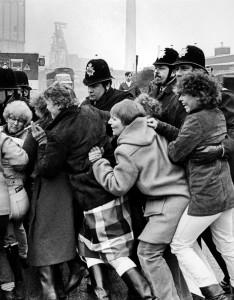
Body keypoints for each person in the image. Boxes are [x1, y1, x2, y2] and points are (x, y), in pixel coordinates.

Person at [29, 82, 155, 300]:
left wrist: (42, 142)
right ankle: (102, 293)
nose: (48, 109)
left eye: (49, 104)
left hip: (91, 197)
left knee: (112, 252)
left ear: (58, 104)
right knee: (90, 247)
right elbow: (118, 117)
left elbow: (47, 169)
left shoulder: (58, 133)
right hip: (109, 184)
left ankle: (145, 293)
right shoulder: (90, 110)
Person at [148, 45, 234, 298]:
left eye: (185, 68)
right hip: (201, 180)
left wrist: (219, 150)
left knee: (190, 243)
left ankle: (213, 291)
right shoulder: (178, 97)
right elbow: (186, 133)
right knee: (221, 242)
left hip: (209, 178)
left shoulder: (223, 99)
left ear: (200, 71)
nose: (180, 73)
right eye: (177, 68)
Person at [88, 98, 192, 300]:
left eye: (114, 119)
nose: (110, 123)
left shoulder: (126, 149)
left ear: (126, 121)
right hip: (180, 196)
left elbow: (117, 186)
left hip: (166, 203)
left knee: (147, 252)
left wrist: (98, 163)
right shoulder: (155, 131)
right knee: (168, 256)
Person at [169, 72, 234, 300]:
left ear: (199, 95)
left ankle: (213, 292)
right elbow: (190, 138)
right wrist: (160, 125)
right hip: (226, 189)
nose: (180, 99)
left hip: (206, 194)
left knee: (179, 245)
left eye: (184, 94)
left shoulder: (195, 120)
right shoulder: (216, 114)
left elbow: (177, 153)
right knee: (228, 244)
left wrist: (169, 144)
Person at [23, 87, 87, 300]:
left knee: (41, 238)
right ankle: (69, 273)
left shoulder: (41, 130)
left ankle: (53, 292)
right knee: (55, 236)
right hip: (70, 186)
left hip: (49, 188)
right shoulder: (78, 120)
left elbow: (29, 161)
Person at [1, 100, 32, 300]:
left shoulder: (10, 139)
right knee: (16, 228)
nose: (15, 123)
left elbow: (23, 162)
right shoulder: (10, 136)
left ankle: (13, 281)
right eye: (12, 118)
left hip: (13, 193)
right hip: (16, 193)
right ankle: (23, 258)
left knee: (10, 231)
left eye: (20, 121)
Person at [82, 58, 133, 137]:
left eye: (94, 86)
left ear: (107, 85)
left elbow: (130, 129)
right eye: (88, 86)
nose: (90, 90)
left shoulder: (123, 100)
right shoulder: (85, 104)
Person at [147, 47, 186, 128]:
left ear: (173, 72)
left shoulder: (179, 94)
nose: (156, 72)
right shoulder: (154, 89)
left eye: (161, 68)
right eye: (156, 68)